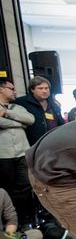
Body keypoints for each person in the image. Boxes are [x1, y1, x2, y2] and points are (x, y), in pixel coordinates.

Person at [0, 77, 35, 229]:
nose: (14, 91)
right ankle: (11, 224)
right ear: (1, 89)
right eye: (11, 88)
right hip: (3, 155)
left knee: (26, 187)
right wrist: (19, 124)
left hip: (22, 153)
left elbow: (30, 119)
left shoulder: (18, 107)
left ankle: (26, 221)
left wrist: (6, 113)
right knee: (8, 189)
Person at [14, 76, 64, 146]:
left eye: (46, 88)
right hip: (33, 144)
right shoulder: (22, 102)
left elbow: (60, 123)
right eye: (40, 88)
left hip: (54, 143)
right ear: (32, 89)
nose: (44, 91)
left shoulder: (54, 105)